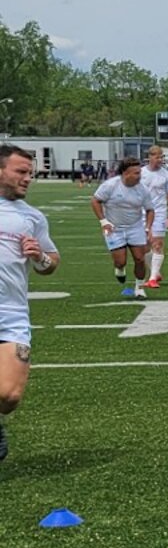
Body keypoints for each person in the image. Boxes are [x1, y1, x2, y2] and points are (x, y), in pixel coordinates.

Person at [0, 145, 60, 463]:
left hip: (11, 314)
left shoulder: (32, 218)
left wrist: (39, 257)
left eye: (30, 173)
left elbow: (52, 264)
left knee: (9, 396)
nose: (28, 179)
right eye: (21, 172)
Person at [91, 158, 154, 298]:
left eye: (140, 173)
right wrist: (103, 221)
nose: (140, 176)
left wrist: (148, 228)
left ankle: (139, 287)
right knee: (120, 261)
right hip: (114, 229)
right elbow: (95, 201)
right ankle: (119, 269)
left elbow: (150, 210)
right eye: (136, 173)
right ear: (126, 173)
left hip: (135, 227)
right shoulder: (110, 185)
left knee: (139, 259)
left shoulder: (142, 190)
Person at [139, 146, 168, 289]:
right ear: (149, 157)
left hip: (159, 213)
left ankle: (153, 278)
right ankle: (156, 272)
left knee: (157, 244)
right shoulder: (141, 173)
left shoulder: (167, 176)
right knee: (144, 247)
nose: (159, 160)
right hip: (142, 214)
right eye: (156, 157)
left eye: (161, 157)